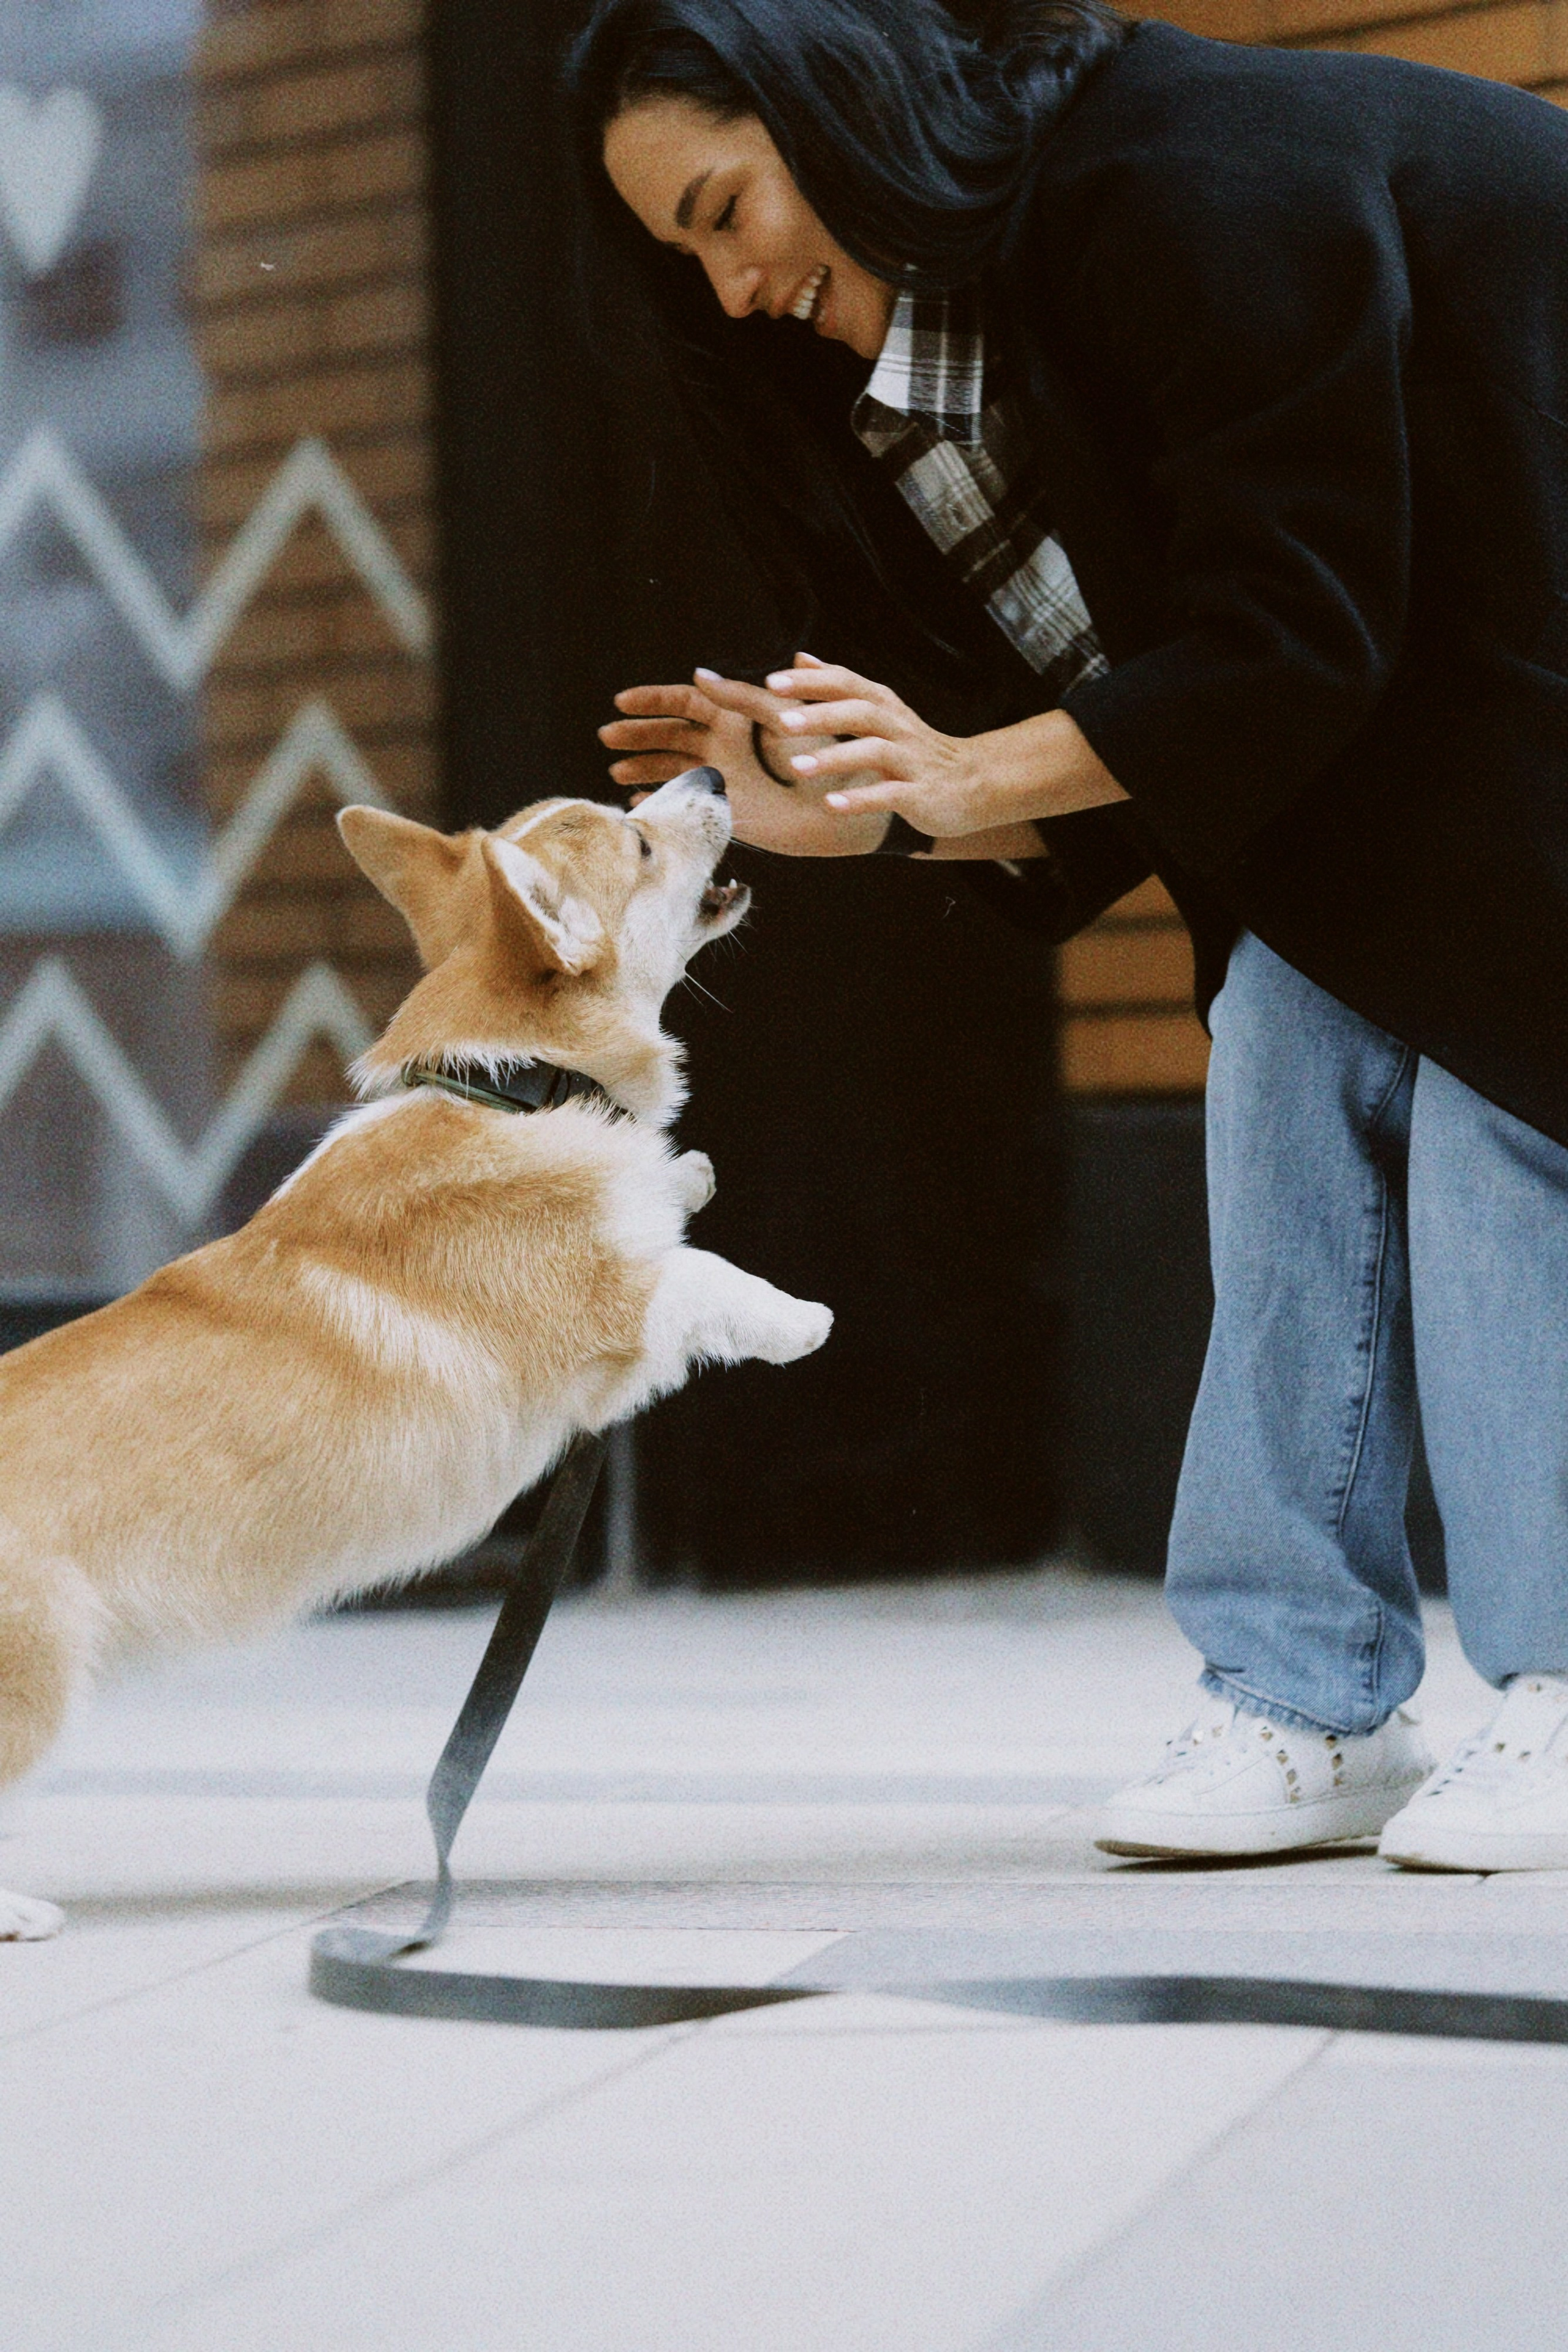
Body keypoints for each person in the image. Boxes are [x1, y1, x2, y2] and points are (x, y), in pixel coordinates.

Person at [565, 0, 1568, 1870]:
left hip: (1498, 665)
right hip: (1427, 687)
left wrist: (952, 775)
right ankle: (1302, 1697)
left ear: (830, 106)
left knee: (1507, 1076)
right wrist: (864, 816)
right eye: (680, 253)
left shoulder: (1185, 179)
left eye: (723, 210)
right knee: (1284, 1018)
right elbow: (1147, 699)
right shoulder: (961, 325)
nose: (726, 290)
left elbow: (1293, 628)